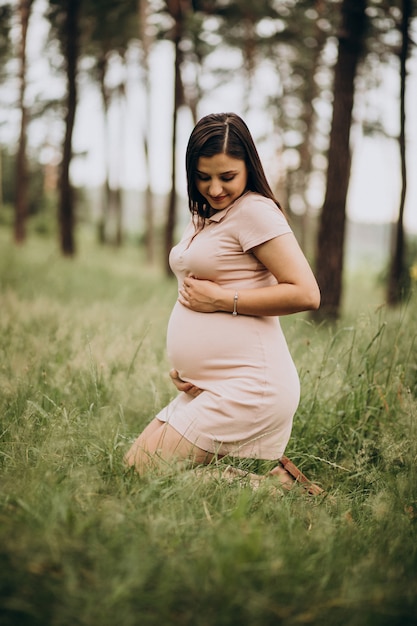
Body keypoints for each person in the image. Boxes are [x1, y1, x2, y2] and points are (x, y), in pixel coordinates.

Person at [125, 112, 322, 494]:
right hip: (213, 383)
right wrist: (194, 365)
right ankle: (276, 483)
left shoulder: (254, 211)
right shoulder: (207, 215)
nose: (214, 188)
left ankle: (281, 491)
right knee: (134, 467)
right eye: (203, 176)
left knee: (150, 471)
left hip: (251, 385)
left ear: (248, 167)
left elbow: (306, 292)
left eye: (227, 176)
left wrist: (222, 299)